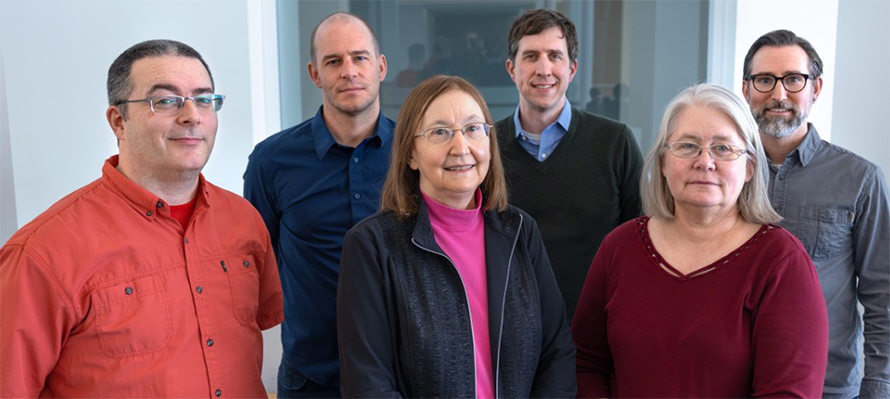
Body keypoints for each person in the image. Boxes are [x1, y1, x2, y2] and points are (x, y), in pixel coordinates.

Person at [0, 39, 283, 398]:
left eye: (204, 99)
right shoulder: (41, 253)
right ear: (118, 121)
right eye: (165, 100)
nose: (192, 115)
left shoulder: (245, 221)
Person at [573, 84, 829, 398]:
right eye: (687, 145)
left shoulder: (781, 262)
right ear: (664, 163)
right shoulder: (619, 248)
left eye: (723, 148)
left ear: (749, 167)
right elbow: (585, 363)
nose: (704, 161)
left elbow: (789, 392)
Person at [337, 75, 576, 398]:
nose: (461, 147)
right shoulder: (372, 246)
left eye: (473, 129)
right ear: (411, 155)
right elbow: (368, 384)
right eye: (440, 133)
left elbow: (557, 353)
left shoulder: (520, 230)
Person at [243, 12, 393, 398]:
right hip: (310, 378)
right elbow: (257, 262)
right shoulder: (272, 161)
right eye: (333, 61)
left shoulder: (417, 153)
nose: (349, 71)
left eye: (360, 58)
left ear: (380, 67)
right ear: (315, 74)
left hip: (401, 373)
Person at [741, 29, 890, 398]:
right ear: (746, 90)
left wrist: (877, 386)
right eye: (764, 80)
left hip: (826, 384)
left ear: (815, 88)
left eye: (794, 79)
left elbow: (882, 295)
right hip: (734, 379)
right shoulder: (720, 172)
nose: (779, 94)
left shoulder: (860, 179)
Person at [496, 9, 643, 319]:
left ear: (572, 68)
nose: (544, 69)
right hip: (507, 329)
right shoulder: (485, 148)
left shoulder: (615, 142)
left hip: (595, 330)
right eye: (531, 56)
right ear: (512, 69)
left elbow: (644, 238)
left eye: (555, 56)